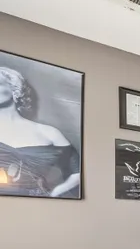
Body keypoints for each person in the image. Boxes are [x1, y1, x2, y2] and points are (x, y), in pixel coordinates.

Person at [0, 66, 80, 198]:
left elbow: (77, 173)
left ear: (15, 91)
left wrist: (54, 193)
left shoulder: (48, 133)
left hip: (38, 205)